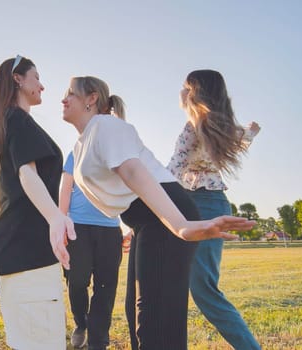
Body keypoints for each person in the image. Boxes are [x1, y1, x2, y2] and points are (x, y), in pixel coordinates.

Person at [61, 76, 256, 349]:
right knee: (136, 313)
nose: (63, 99)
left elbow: (132, 171)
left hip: (164, 216)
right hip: (146, 220)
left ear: (91, 98)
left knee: (156, 321)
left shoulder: (106, 125)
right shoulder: (84, 142)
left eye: (70, 93)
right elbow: (126, 188)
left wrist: (180, 226)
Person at [0, 55, 76, 349]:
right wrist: (55, 217)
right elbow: (27, 173)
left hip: (19, 247)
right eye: (36, 77)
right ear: (18, 79)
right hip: (27, 249)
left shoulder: (12, 120)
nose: (43, 86)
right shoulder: (17, 119)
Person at [167, 69, 261, 349]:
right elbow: (245, 136)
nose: (181, 92)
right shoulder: (218, 126)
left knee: (204, 290)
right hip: (202, 202)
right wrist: (253, 131)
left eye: (185, 87)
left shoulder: (193, 128)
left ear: (195, 93)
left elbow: (172, 170)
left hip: (199, 204)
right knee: (176, 283)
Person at [60, 115, 124, 349]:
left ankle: (98, 342)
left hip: (109, 228)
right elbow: (66, 189)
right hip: (77, 226)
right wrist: (61, 221)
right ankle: (81, 322)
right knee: (76, 281)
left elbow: (128, 189)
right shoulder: (74, 154)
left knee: (105, 288)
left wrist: (131, 227)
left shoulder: (118, 155)